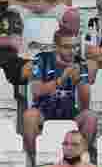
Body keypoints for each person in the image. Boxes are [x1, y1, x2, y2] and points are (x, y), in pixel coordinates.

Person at [22, 31, 96, 159]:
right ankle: (33, 159)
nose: (72, 51)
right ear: (56, 46)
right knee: (29, 116)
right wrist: (61, 79)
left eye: (75, 47)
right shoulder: (42, 59)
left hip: (69, 111)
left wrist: (80, 83)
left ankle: (79, 158)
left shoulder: (80, 63)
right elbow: (36, 90)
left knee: (90, 117)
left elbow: (85, 106)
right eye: (67, 47)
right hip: (43, 111)